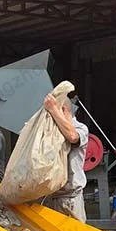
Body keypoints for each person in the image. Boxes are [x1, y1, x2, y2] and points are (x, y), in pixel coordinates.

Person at [42, 94, 90, 223]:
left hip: (70, 198)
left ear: (63, 110)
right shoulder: (52, 131)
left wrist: (53, 109)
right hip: (51, 196)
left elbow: (73, 137)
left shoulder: (80, 128)